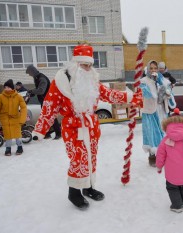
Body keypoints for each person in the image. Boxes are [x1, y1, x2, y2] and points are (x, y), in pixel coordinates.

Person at [32, 44, 141, 210]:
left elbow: (108, 94)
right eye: (84, 65)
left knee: (91, 158)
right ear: (76, 64)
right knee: (78, 159)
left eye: (90, 65)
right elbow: (49, 106)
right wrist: (40, 130)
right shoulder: (60, 83)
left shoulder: (92, 81)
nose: (88, 68)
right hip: (73, 127)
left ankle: (88, 187)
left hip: (91, 127)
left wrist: (131, 97)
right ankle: (74, 192)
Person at [140, 60, 165, 167]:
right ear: (148, 69)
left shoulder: (157, 80)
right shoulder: (144, 81)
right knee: (150, 134)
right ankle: (152, 158)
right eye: (151, 68)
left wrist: (161, 85)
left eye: (155, 68)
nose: (154, 70)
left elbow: (163, 93)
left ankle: (160, 156)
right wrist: (155, 83)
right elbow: (148, 94)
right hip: (147, 111)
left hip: (156, 110)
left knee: (158, 133)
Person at [26, 65, 61, 140]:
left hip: (49, 101)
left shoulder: (41, 78)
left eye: (29, 73)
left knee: (51, 117)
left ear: (32, 71)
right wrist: (32, 93)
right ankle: (47, 133)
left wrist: (32, 91)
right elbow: (38, 89)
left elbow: (41, 90)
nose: (29, 75)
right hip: (44, 100)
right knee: (46, 117)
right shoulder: (37, 78)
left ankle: (58, 133)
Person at [0, 79, 27, 156]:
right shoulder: (0, 97)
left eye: (8, 87)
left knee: (17, 135)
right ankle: (8, 149)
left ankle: (20, 147)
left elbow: (23, 108)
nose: (6, 89)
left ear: (12, 88)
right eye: (5, 87)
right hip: (5, 119)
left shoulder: (18, 96)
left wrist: (22, 119)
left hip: (15, 118)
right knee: (7, 135)